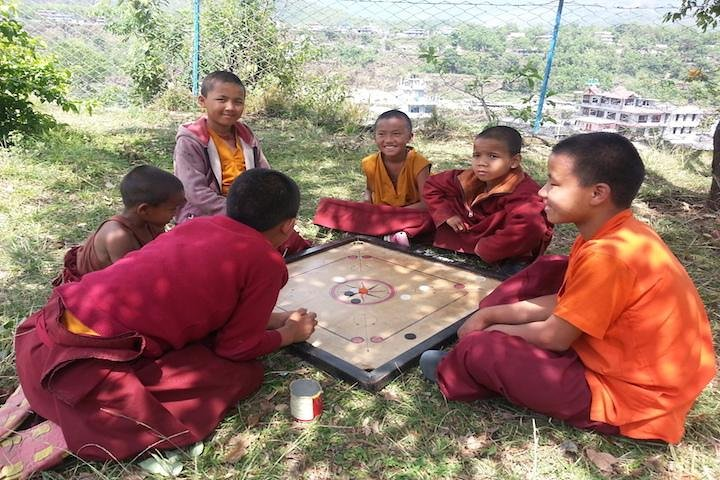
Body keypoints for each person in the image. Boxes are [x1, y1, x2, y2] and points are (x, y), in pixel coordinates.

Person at [2, 169, 319, 477]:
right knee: (243, 373)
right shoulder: (265, 261)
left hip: (43, 344)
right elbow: (237, 346)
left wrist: (272, 321)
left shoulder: (196, 225)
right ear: (288, 225)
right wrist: (290, 334)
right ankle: (75, 421)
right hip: (87, 372)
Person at [420, 132, 716, 444]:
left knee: (478, 350)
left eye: (554, 184)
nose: (542, 192)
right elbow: (565, 299)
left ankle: (464, 366)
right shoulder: (614, 231)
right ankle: (482, 350)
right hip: (619, 357)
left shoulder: (609, 255)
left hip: (633, 398)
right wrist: (492, 314)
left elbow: (554, 337)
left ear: (598, 193)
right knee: (548, 272)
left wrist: (490, 332)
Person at [173, 70, 309, 254]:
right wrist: (239, 213)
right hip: (206, 213)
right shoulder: (191, 140)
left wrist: (270, 206)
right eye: (222, 100)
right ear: (202, 101)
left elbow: (264, 176)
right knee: (236, 251)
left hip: (248, 209)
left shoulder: (245, 135)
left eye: (238, 102)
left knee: (289, 239)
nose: (230, 107)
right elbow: (195, 192)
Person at [423, 125, 552, 270]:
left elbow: (530, 228)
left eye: (493, 156)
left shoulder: (525, 193)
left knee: (525, 220)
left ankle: (513, 260)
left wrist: (486, 248)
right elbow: (432, 185)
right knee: (432, 210)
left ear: (514, 161)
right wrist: (447, 215)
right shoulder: (468, 177)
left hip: (499, 244)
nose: (482, 163)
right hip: (468, 231)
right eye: (477, 155)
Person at [313, 109, 433, 247]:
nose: (388, 140)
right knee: (330, 206)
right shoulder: (370, 162)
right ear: (374, 136)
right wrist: (366, 203)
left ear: (410, 137)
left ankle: (384, 232)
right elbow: (370, 190)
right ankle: (387, 232)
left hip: (409, 214)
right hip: (380, 213)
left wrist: (394, 213)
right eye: (381, 134)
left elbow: (426, 204)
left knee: (430, 218)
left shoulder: (419, 163)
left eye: (396, 134)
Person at [53, 165, 185, 285]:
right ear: (144, 210)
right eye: (172, 209)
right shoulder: (118, 236)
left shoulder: (153, 223)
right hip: (91, 288)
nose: (175, 214)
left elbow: (162, 256)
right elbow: (131, 282)